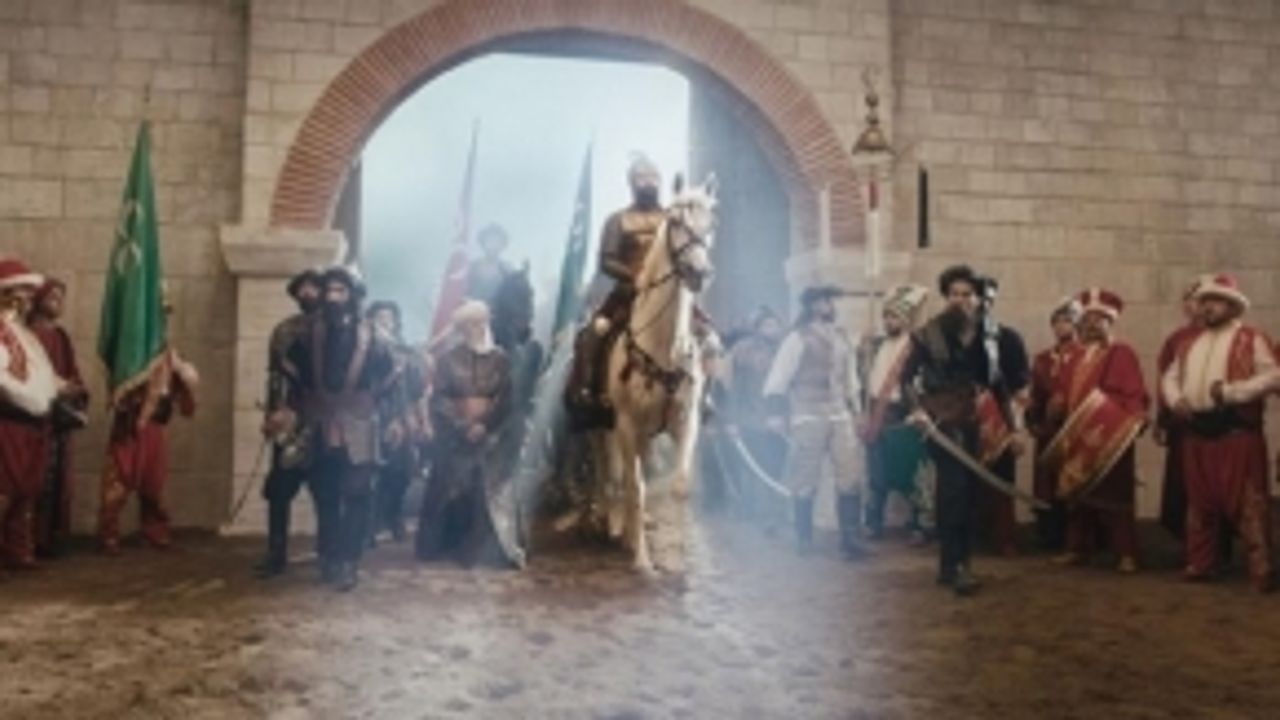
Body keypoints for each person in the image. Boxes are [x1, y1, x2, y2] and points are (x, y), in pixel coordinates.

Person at [1161, 275, 1277, 592]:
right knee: (1200, 503)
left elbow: (1272, 376)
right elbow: (1170, 378)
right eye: (1204, 302)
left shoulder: (1251, 338)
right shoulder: (1188, 344)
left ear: (1232, 306)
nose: (1207, 307)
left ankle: (1261, 569)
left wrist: (1231, 392)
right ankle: (1201, 563)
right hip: (1197, 432)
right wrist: (1176, 400)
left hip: (1236, 431)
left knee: (1248, 502)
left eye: (1215, 301)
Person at [901, 265, 1010, 596]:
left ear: (976, 298)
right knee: (954, 491)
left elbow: (997, 382)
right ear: (946, 297)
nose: (960, 300)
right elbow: (906, 379)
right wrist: (917, 410)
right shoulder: (928, 334)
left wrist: (1013, 427)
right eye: (953, 294)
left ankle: (955, 564)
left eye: (966, 294)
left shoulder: (987, 333)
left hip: (974, 419)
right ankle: (956, 566)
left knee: (968, 492)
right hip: (941, 421)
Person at [287, 265, 396, 591]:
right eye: (328, 291)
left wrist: (395, 419)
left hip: (359, 421)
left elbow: (391, 383)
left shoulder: (376, 337)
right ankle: (329, 555)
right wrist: (287, 410)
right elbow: (291, 376)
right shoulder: (306, 334)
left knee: (357, 491)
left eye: (340, 291)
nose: (333, 298)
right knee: (324, 492)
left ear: (353, 296)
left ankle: (349, 560)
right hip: (319, 419)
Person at [763, 285, 867, 560]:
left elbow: (851, 379)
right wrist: (775, 413)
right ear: (810, 306)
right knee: (805, 478)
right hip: (808, 415)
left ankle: (849, 538)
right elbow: (778, 378)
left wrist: (857, 411)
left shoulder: (842, 338)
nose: (827, 306)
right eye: (821, 301)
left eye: (829, 301)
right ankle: (804, 538)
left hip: (840, 414)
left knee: (849, 475)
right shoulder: (797, 338)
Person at [416, 301, 523, 568]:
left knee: (486, 493)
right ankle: (442, 545)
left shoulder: (500, 360)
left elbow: (506, 398)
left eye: (481, 322)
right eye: (470, 324)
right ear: (461, 328)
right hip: (455, 437)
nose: (477, 328)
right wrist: (463, 425)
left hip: (491, 435)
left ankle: (480, 549)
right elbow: (440, 399)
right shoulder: (448, 360)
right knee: (449, 489)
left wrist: (485, 425)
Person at [1048, 289, 1148, 573]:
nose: (1092, 325)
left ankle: (1126, 553)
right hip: (1077, 433)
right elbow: (1063, 390)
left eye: (1099, 319)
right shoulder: (1074, 355)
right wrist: (1056, 403)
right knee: (1077, 495)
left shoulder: (1122, 353)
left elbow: (1134, 393)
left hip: (1110, 433)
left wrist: (1134, 419)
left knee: (1115, 495)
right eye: (1087, 319)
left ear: (1110, 322)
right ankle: (1077, 548)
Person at [566, 155, 666, 425]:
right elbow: (607, 260)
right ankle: (589, 392)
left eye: (652, 177)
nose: (648, 182)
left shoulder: (671, 220)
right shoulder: (618, 220)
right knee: (594, 334)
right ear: (632, 183)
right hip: (629, 294)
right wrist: (634, 276)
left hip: (666, 294)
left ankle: (703, 399)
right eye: (642, 177)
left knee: (706, 338)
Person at [98, 288, 199, 554]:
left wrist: (182, 373)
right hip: (130, 424)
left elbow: (187, 385)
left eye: (164, 316)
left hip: (155, 426)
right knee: (118, 480)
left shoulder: (169, 354)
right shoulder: (130, 352)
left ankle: (154, 530)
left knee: (153, 484)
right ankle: (109, 533)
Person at [0, 259, 67, 570]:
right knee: (4, 491)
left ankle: (17, 550)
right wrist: (25, 396)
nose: (29, 300)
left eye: (29, 294)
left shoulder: (24, 335)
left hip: (31, 422)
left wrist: (54, 390)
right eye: (23, 294)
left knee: (24, 491)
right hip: (8, 419)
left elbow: (41, 372)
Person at [255, 268, 323, 578]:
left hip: (327, 418)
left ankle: (330, 554)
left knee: (326, 490)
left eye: (313, 288)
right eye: (302, 289)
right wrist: (274, 413)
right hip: (293, 417)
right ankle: (276, 552)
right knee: (279, 490)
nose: (307, 293)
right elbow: (276, 377)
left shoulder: (338, 330)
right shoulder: (285, 331)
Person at [860, 284, 931, 543]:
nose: (890, 322)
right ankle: (874, 523)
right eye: (887, 317)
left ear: (906, 320)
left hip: (904, 415)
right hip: (878, 415)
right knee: (877, 474)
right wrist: (862, 351)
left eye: (895, 317)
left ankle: (919, 525)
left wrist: (918, 410)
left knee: (911, 472)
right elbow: (864, 377)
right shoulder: (876, 346)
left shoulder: (916, 347)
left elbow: (921, 382)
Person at [27, 277, 88, 558]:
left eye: (61, 298)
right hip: (37, 419)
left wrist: (76, 389)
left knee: (59, 481)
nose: (58, 303)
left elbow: (72, 371)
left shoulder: (61, 336)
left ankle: (51, 537)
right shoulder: (29, 335)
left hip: (60, 420)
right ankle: (30, 539)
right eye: (52, 297)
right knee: (37, 478)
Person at [970, 278, 1030, 556]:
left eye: (989, 299)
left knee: (1002, 481)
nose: (983, 304)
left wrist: (1017, 428)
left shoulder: (1009, 339)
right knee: (965, 481)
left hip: (1000, 422)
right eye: (978, 297)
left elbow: (1021, 387)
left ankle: (1004, 537)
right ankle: (968, 538)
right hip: (964, 418)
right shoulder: (952, 338)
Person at [367, 299, 427, 543]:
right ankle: (371, 525)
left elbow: (417, 391)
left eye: (389, 318)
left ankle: (394, 515)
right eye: (380, 318)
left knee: (402, 472)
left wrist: (420, 419)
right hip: (374, 417)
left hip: (403, 416)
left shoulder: (406, 353)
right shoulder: (366, 351)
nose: (385, 322)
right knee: (373, 473)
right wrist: (392, 374)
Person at [1024, 297, 1082, 552]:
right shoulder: (1043, 359)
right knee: (1047, 481)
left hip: (1076, 428)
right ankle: (1050, 534)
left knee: (1073, 480)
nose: (1061, 326)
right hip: (1050, 430)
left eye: (1067, 321)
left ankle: (1078, 538)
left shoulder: (1086, 355)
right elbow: (1035, 393)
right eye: (1057, 321)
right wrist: (1033, 419)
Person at [1155, 277, 1207, 541]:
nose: (1190, 305)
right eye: (1187, 299)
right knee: (1182, 484)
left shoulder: (1226, 336)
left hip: (1214, 424)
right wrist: (1162, 416)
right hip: (1182, 425)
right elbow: (1166, 377)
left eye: (1196, 299)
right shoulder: (1177, 339)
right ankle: (1189, 545)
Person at [724, 306, 786, 524]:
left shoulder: (785, 349)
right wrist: (732, 420)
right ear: (758, 328)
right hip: (751, 419)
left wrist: (782, 416)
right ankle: (751, 513)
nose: (772, 329)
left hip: (779, 421)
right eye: (767, 325)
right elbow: (736, 388)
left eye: (775, 324)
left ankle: (773, 514)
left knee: (776, 468)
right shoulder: (744, 351)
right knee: (753, 468)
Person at [465, 224, 515, 307]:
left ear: (502, 245)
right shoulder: (472, 267)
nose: (493, 245)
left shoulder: (508, 269)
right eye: (490, 241)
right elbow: (464, 292)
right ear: (483, 243)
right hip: (472, 311)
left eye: (497, 241)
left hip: (498, 312)